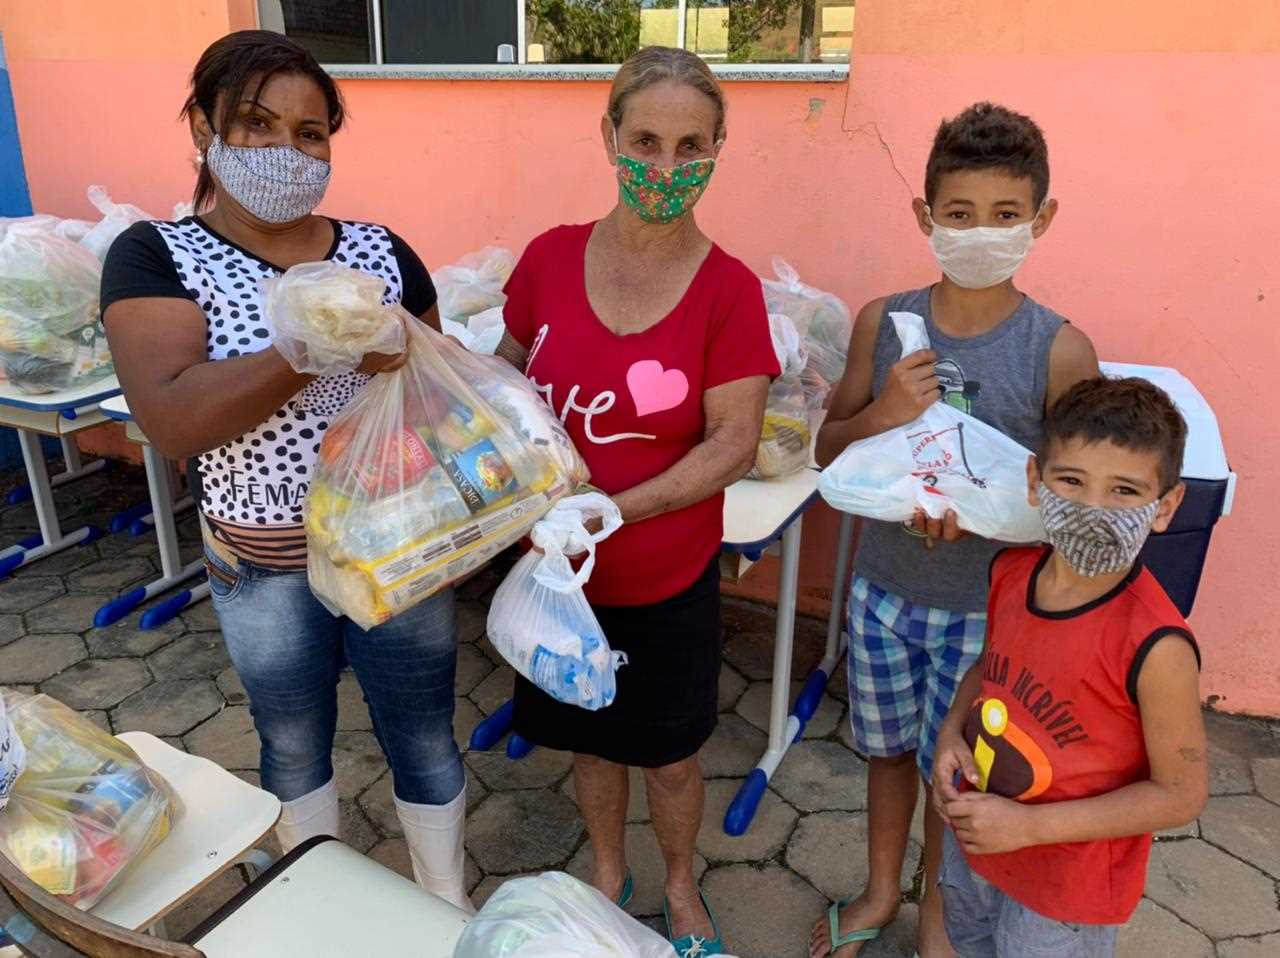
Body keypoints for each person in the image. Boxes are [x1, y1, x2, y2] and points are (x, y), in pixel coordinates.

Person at [100, 31, 471, 911]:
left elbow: (444, 397)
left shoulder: (380, 249)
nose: (287, 152)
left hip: (396, 553)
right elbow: (172, 418)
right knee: (295, 737)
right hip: (263, 565)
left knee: (422, 734)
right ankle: (315, 904)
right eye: (257, 124)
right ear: (203, 126)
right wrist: (303, 349)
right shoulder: (155, 255)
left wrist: (410, 357)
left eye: (311, 133)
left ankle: (447, 905)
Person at [494, 46, 778, 958]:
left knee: (673, 753)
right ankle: (609, 874)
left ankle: (683, 888)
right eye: (645, 140)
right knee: (589, 738)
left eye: (690, 146)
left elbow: (733, 440)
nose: (665, 168)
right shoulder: (547, 259)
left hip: (664, 578)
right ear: (609, 135)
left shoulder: (729, 290)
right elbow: (506, 376)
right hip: (558, 579)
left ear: (719, 148)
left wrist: (617, 507)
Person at [811, 102, 1101, 958]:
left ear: (1040, 220)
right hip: (882, 594)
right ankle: (875, 893)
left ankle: (938, 917)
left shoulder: (1059, 350)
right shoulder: (884, 322)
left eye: (1006, 216)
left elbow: (1072, 504)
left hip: (988, 617)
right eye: (960, 213)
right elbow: (828, 450)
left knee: (958, 772)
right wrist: (887, 412)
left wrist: (985, 523)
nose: (981, 232)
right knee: (887, 753)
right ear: (924, 215)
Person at [931, 376, 1207, 957]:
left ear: (1167, 506)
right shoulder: (1010, 573)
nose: (1092, 509)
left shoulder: (1157, 647)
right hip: (978, 842)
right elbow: (992, 666)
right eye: (1072, 481)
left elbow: (1180, 795)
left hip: (1066, 890)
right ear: (1037, 481)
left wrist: (1029, 828)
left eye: (1125, 491)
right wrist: (953, 732)